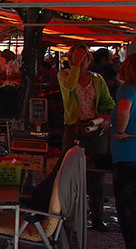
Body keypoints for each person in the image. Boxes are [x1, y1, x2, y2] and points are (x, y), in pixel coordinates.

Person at [58, 43, 115, 231]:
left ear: (90, 60)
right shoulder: (64, 75)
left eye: (84, 58)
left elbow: (107, 102)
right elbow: (70, 86)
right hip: (74, 129)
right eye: (77, 58)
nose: (81, 62)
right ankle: (69, 217)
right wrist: (75, 65)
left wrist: (107, 116)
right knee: (70, 174)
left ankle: (97, 216)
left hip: (95, 130)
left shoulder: (97, 79)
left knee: (96, 177)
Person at [112, 53, 136, 248]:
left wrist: (121, 131)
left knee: (127, 209)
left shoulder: (127, 89)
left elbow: (123, 110)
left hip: (127, 156)